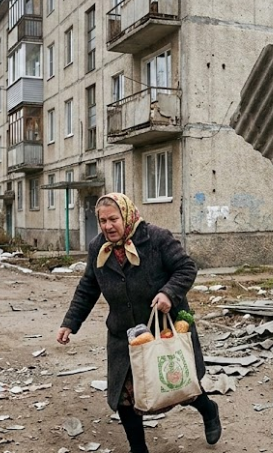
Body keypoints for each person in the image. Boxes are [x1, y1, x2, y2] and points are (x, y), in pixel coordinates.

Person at [57, 193, 221, 453]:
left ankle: (209, 409)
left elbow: (186, 268)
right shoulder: (97, 247)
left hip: (161, 329)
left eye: (113, 219)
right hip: (125, 334)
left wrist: (169, 292)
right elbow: (88, 287)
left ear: (127, 215)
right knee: (125, 395)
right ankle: (138, 449)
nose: (108, 226)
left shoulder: (156, 238)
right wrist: (69, 323)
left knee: (177, 386)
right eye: (102, 221)